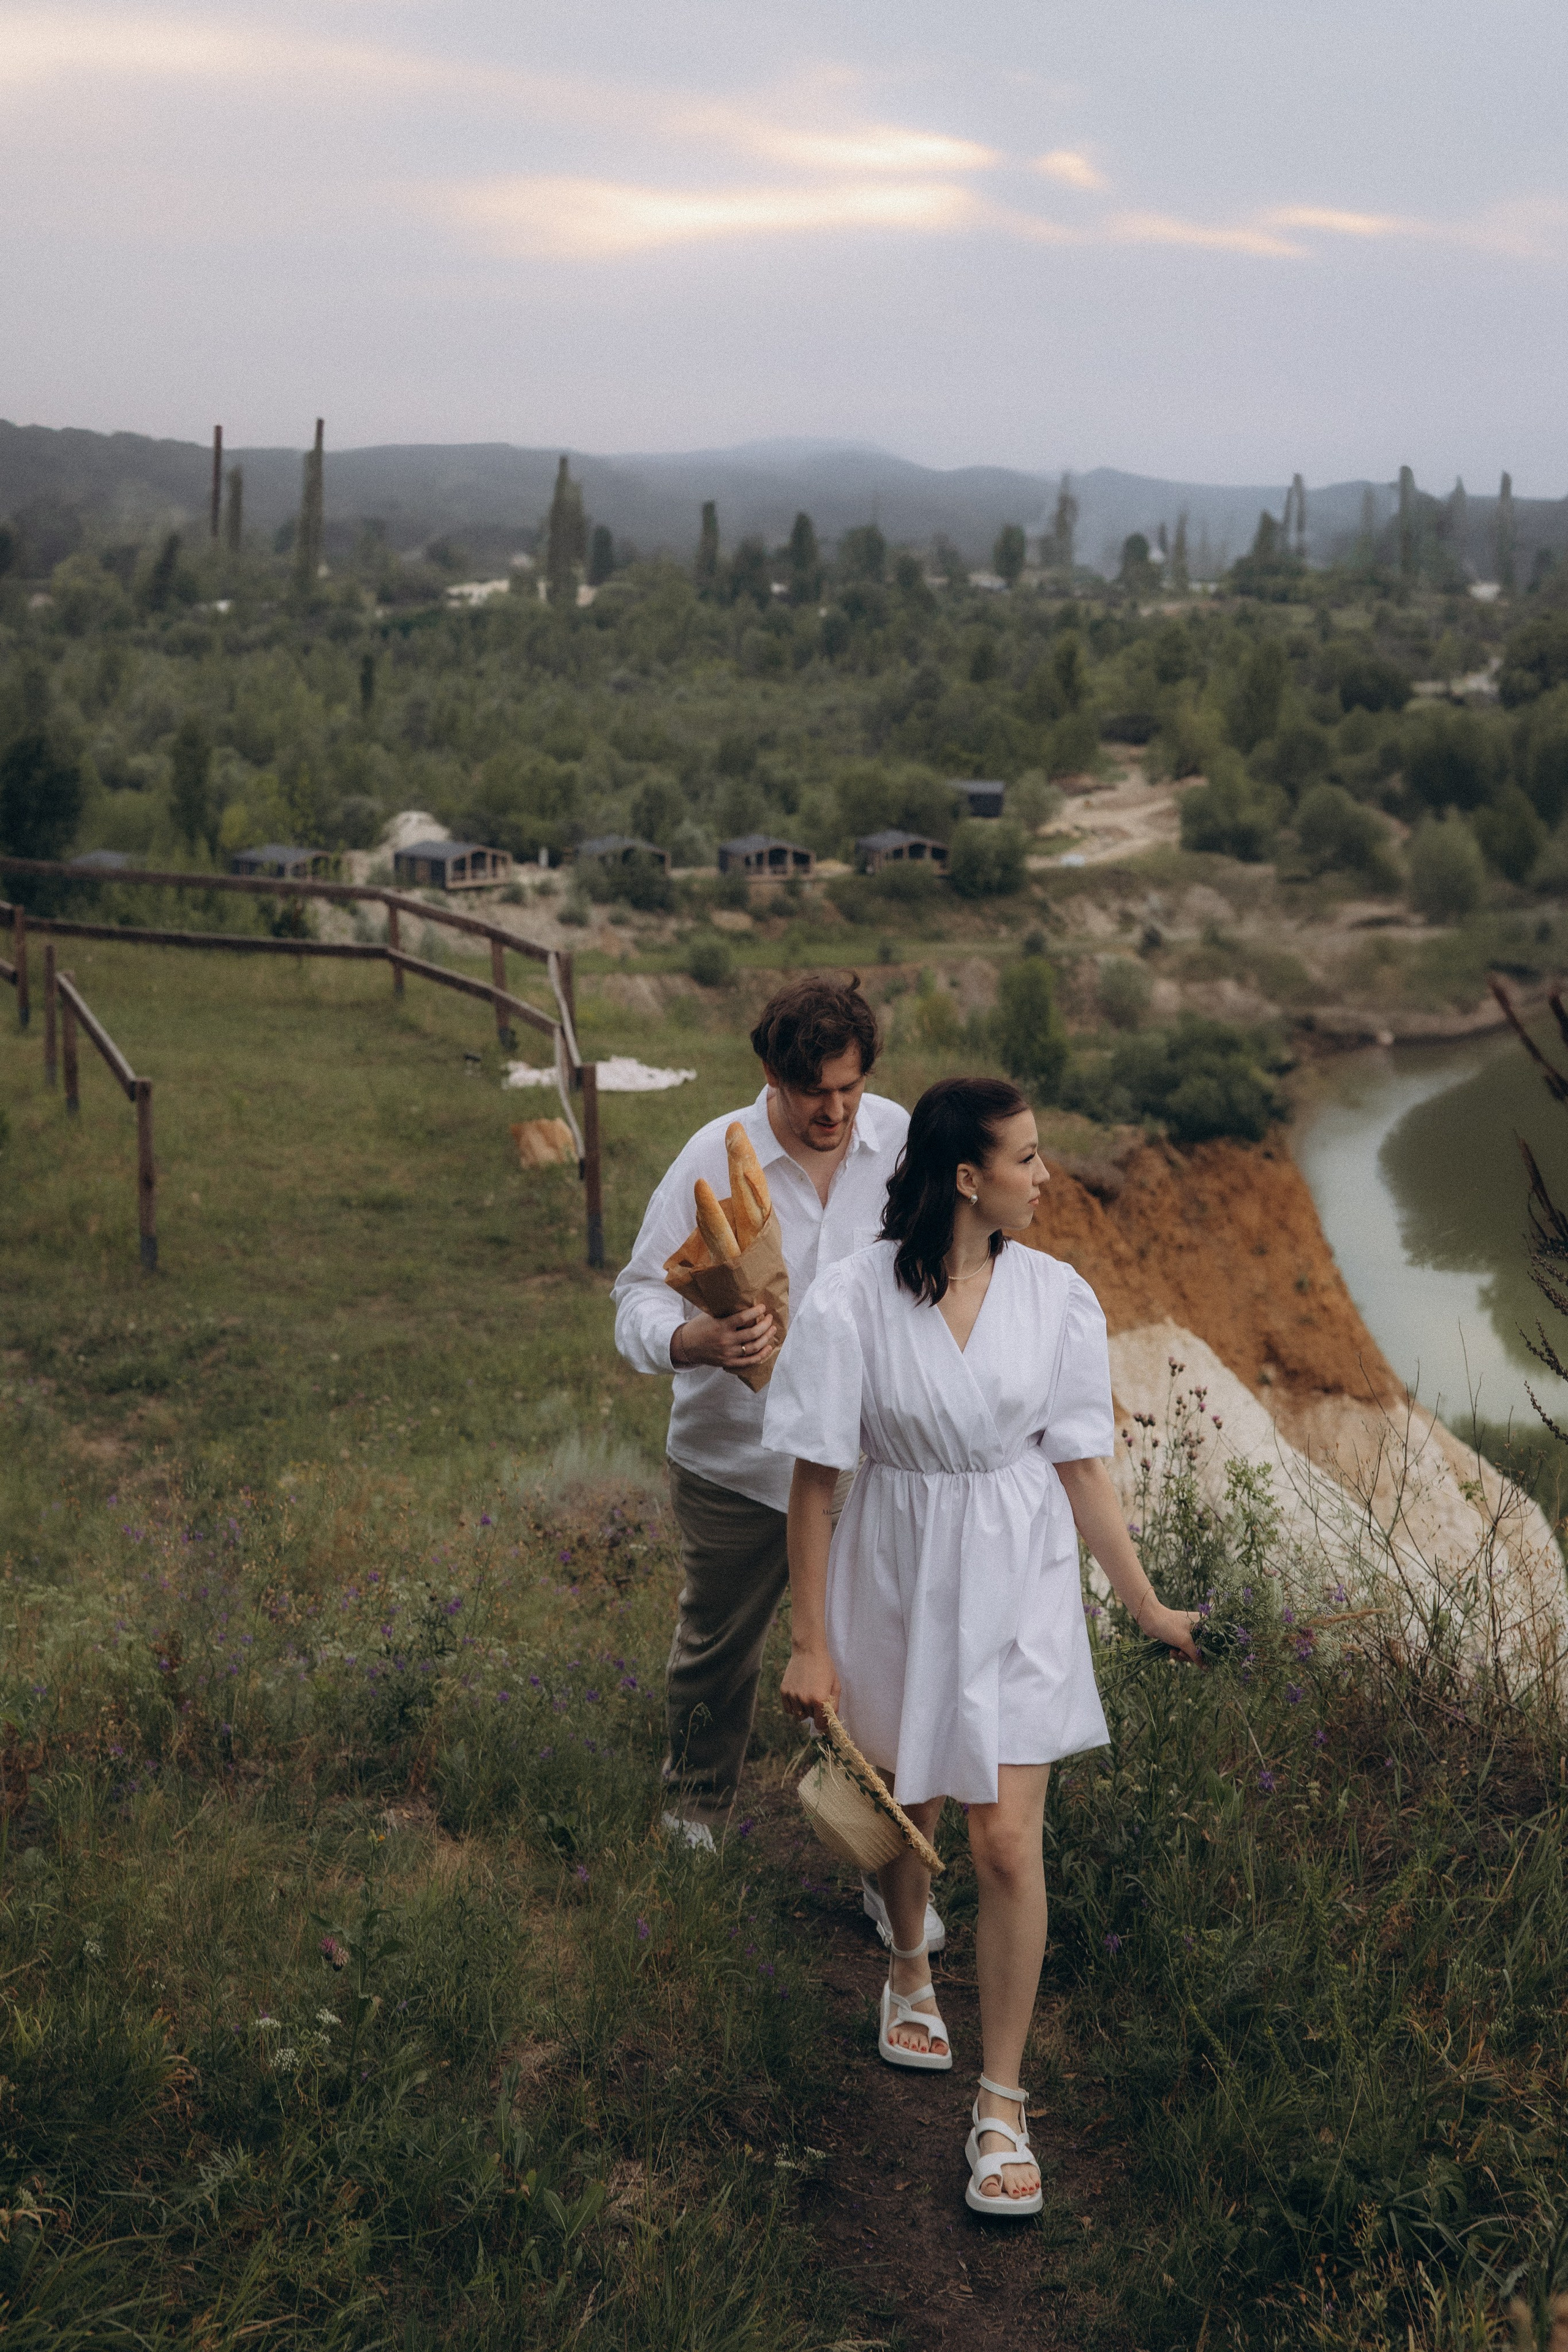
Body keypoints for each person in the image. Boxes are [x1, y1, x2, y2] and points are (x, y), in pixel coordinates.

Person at [764, 1076, 1200, 2215]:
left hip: (1019, 1578)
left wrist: (1146, 1607)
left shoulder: (1059, 1298)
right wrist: (812, 1643)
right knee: (905, 1795)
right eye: (1029, 1158)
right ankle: (908, 1963)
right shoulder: (853, 1300)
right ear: (969, 1178)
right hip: (895, 1564)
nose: (1048, 1176)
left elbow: (1082, 1470)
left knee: (1006, 1843)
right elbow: (815, 1484)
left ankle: (1000, 2104)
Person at [612, 976, 943, 1947]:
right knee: (718, 1651)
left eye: (848, 1089)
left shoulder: (903, 1146)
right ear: (771, 1077)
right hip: (736, 1462)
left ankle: (886, 1877)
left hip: (870, 1469)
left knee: (873, 1674)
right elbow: (635, 1298)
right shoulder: (712, 1158)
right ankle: (695, 1819)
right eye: (813, 1095)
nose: (834, 1112)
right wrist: (698, 1341)